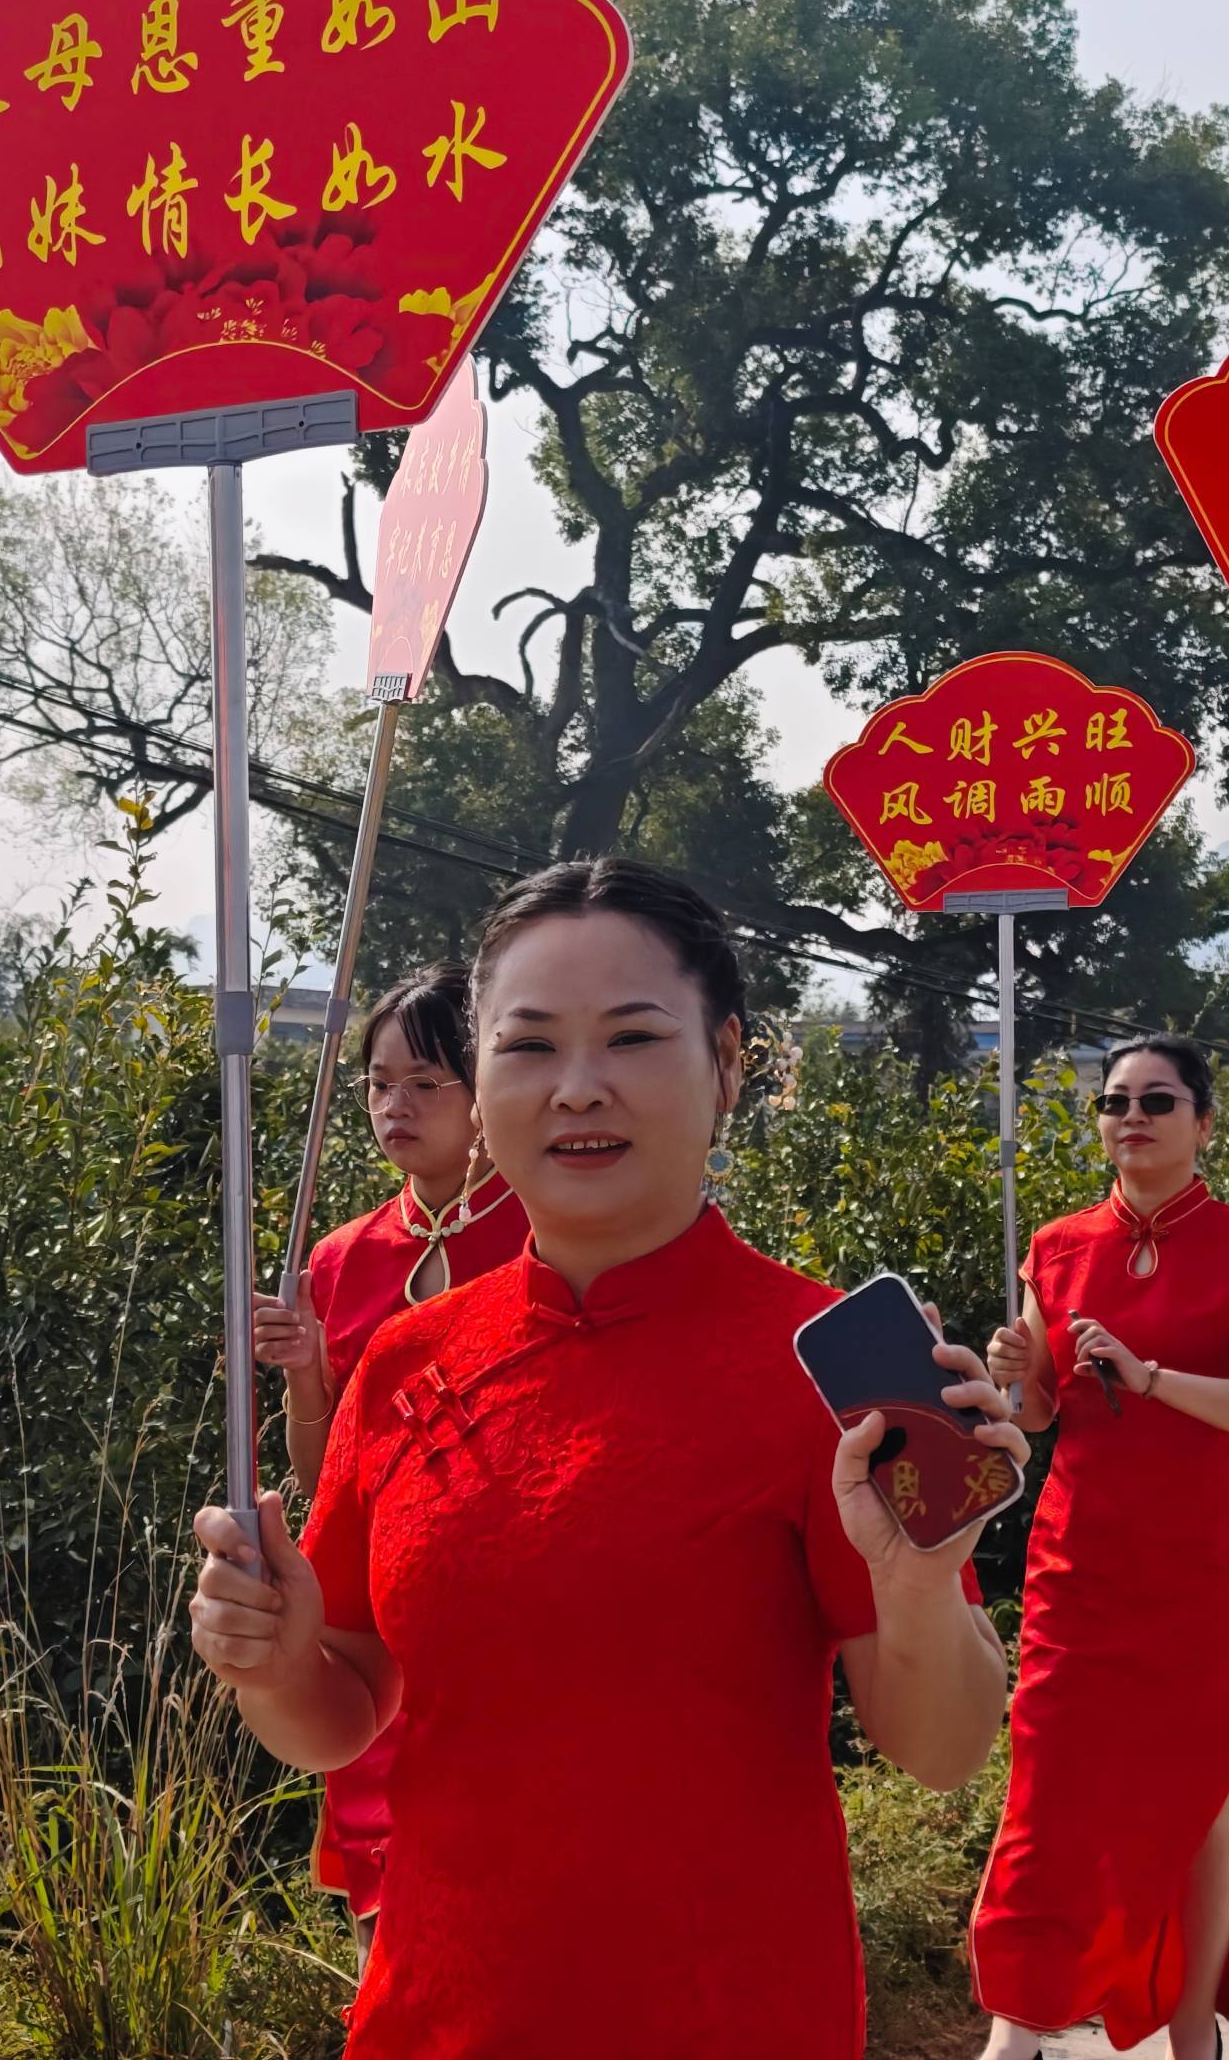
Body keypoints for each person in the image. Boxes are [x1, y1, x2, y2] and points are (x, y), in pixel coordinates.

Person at [187, 858, 1020, 2059]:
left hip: (728, 2018)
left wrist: (917, 1579)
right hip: (440, 2013)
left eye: (632, 1038)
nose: (578, 1090)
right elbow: (345, 1712)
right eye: (527, 1048)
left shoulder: (835, 1367)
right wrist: (267, 1661)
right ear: (480, 1083)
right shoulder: (406, 1362)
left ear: (726, 1063)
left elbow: (941, 1751)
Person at [973, 1034, 1229, 2060]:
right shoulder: (1058, 1247)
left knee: (1206, 1796)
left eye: (1156, 1101)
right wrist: (1012, 1374)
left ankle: (1195, 2030)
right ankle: (1017, 2035)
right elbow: (1035, 1415)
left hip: (1202, 1566)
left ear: (1203, 1122)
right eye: (1114, 1101)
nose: (1131, 1117)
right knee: (1047, 1792)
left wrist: (1155, 1378)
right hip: (1079, 1561)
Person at [247, 962, 527, 1947]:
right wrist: (303, 1374)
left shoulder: (547, 1230)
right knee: (390, 1874)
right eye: (377, 1082)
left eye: (424, 1082)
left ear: (482, 1090)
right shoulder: (338, 1258)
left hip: (515, 1597)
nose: (393, 1105)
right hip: (383, 1598)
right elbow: (327, 1474)